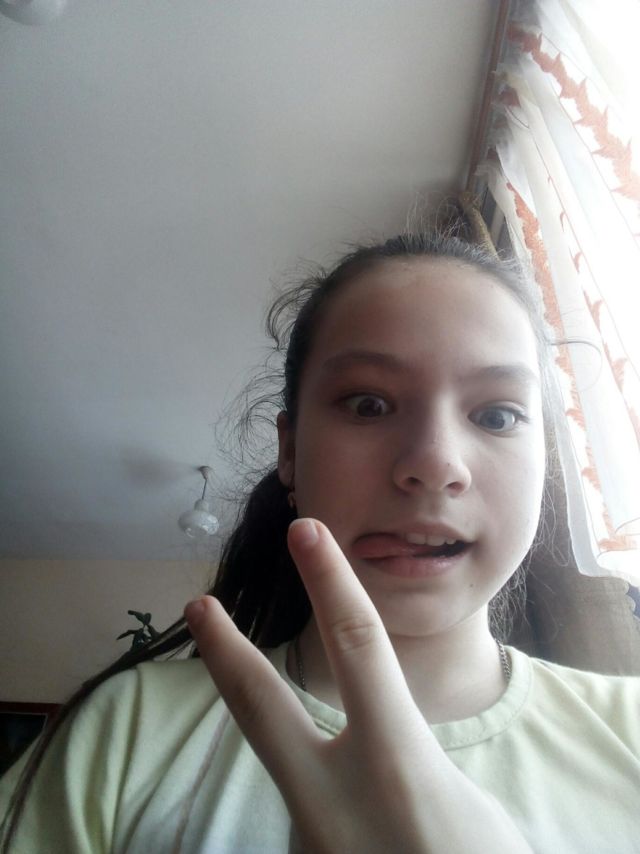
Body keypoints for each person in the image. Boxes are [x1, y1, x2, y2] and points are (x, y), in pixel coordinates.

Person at [1, 231, 639, 853]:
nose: (435, 463)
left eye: (497, 415)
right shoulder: (130, 727)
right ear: (290, 452)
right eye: (368, 405)